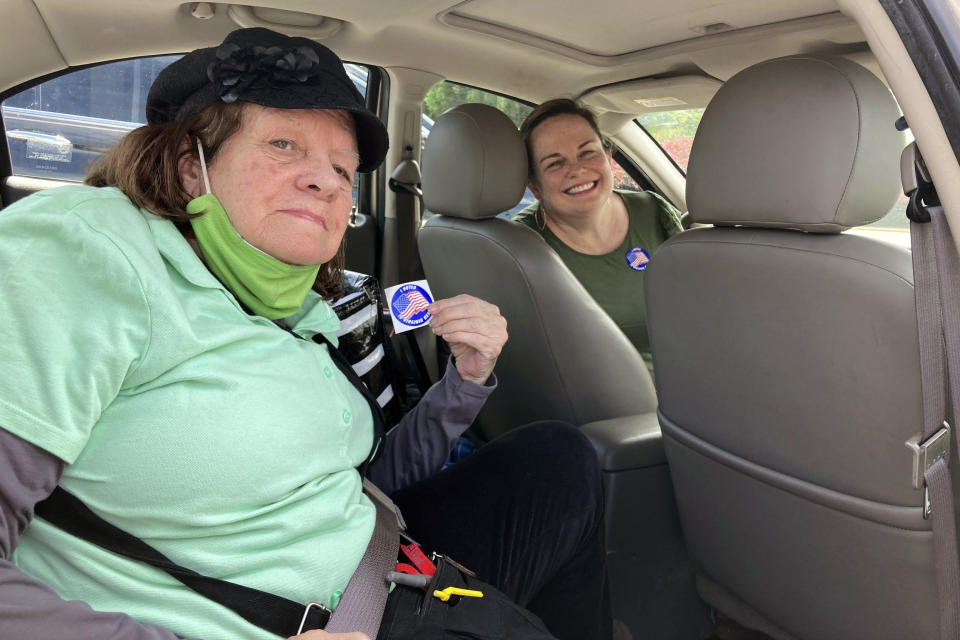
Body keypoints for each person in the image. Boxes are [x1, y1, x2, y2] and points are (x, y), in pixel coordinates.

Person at [0, 28, 610, 640]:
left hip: (387, 560)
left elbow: (359, 480)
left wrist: (464, 383)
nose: (326, 181)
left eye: (342, 169)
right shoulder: (86, 247)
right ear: (192, 167)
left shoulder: (298, 308)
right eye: (285, 145)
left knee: (561, 459)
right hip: (307, 618)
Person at [514, 99, 684, 373]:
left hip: (692, 384)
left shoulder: (652, 210)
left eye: (588, 152)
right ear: (534, 185)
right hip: (608, 409)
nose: (577, 169)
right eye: (555, 163)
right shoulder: (522, 244)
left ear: (609, 156)